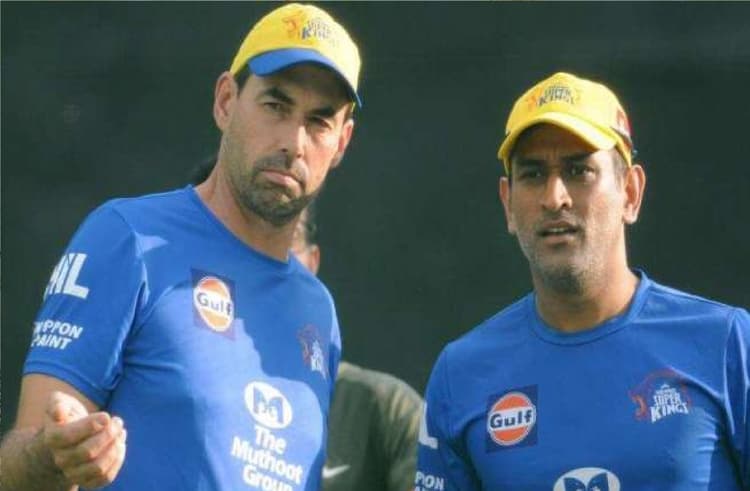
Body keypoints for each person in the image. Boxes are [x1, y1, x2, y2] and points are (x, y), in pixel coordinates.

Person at [0, 3, 361, 490]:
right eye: (276, 106)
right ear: (225, 102)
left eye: (319, 122)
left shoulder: (319, 310)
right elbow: (15, 467)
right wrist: (52, 455)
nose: (294, 142)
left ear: (341, 143)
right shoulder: (127, 238)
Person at [415, 71, 750, 490]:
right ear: (508, 204)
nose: (555, 197)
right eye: (533, 174)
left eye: (579, 170)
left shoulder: (727, 344)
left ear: (630, 193)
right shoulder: (461, 374)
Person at [288, 205, 423, 491]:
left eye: (290, 234)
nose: (270, 257)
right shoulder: (188, 404)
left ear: (312, 262)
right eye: (245, 238)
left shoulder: (386, 409)